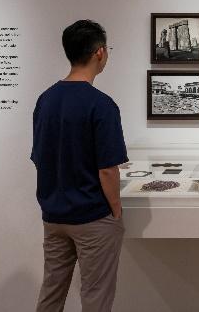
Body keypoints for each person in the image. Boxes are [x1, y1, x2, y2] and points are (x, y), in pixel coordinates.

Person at [31, 20, 127, 312]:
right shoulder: (101, 105)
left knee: (51, 293)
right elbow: (107, 169)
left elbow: (40, 158)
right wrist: (116, 210)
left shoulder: (45, 100)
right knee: (96, 296)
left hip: (54, 216)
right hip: (92, 217)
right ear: (99, 52)